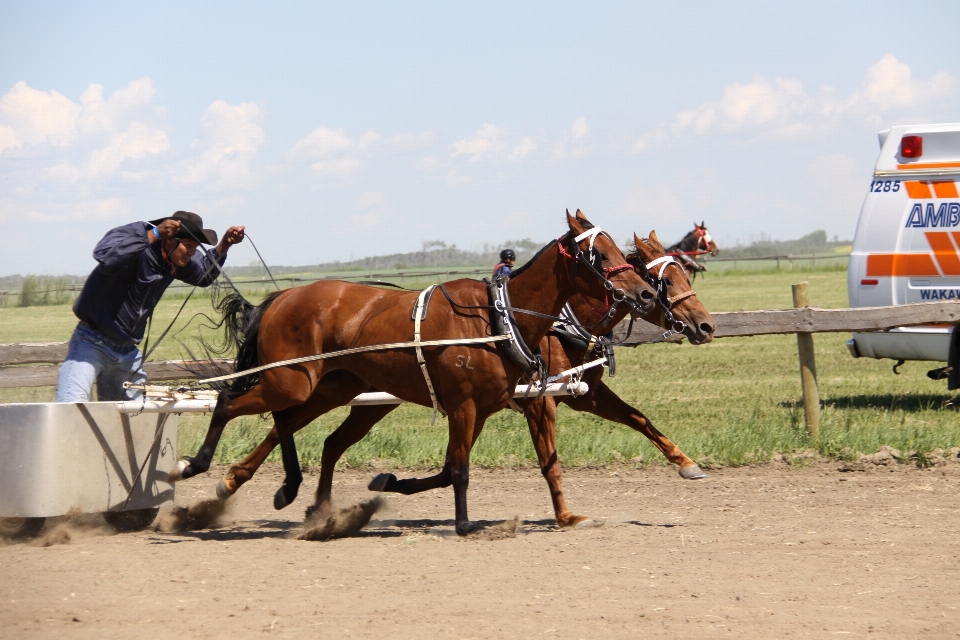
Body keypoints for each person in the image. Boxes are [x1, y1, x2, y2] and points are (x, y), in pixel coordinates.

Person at [55, 211, 245, 402]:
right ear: (169, 240)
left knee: (135, 418)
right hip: (91, 342)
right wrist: (154, 234)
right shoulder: (138, 233)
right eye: (188, 246)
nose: (192, 253)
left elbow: (203, 274)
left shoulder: (176, 259)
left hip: (127, 351)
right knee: (71, 407)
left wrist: (225, 245)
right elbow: (106, 256)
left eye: (195, 247)